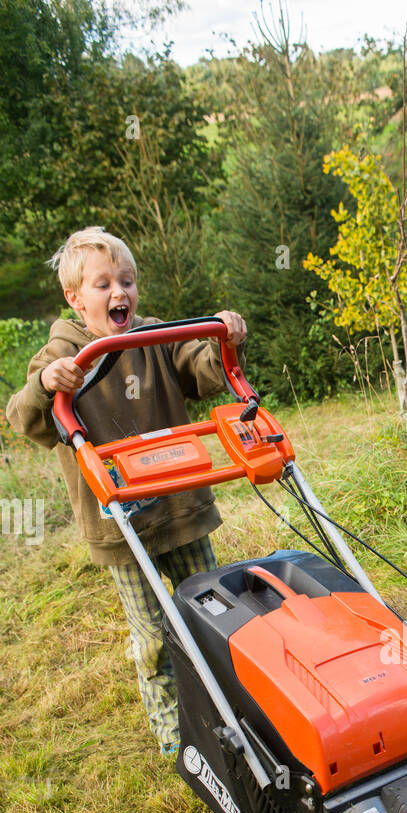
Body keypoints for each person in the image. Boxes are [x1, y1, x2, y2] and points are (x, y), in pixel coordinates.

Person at [6, 226, 247, 755]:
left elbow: (204, 373)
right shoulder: (62, 351)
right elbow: (23, 419)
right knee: (156, 636)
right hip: (120, 522)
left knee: (213, 616)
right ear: (74, 297)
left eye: (128, 281)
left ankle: (230, 715)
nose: (120, 293)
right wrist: (47, 383)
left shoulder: (155, 337)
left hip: (180, 503)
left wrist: (222, 340)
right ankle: (174, 739)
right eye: (103, 284)